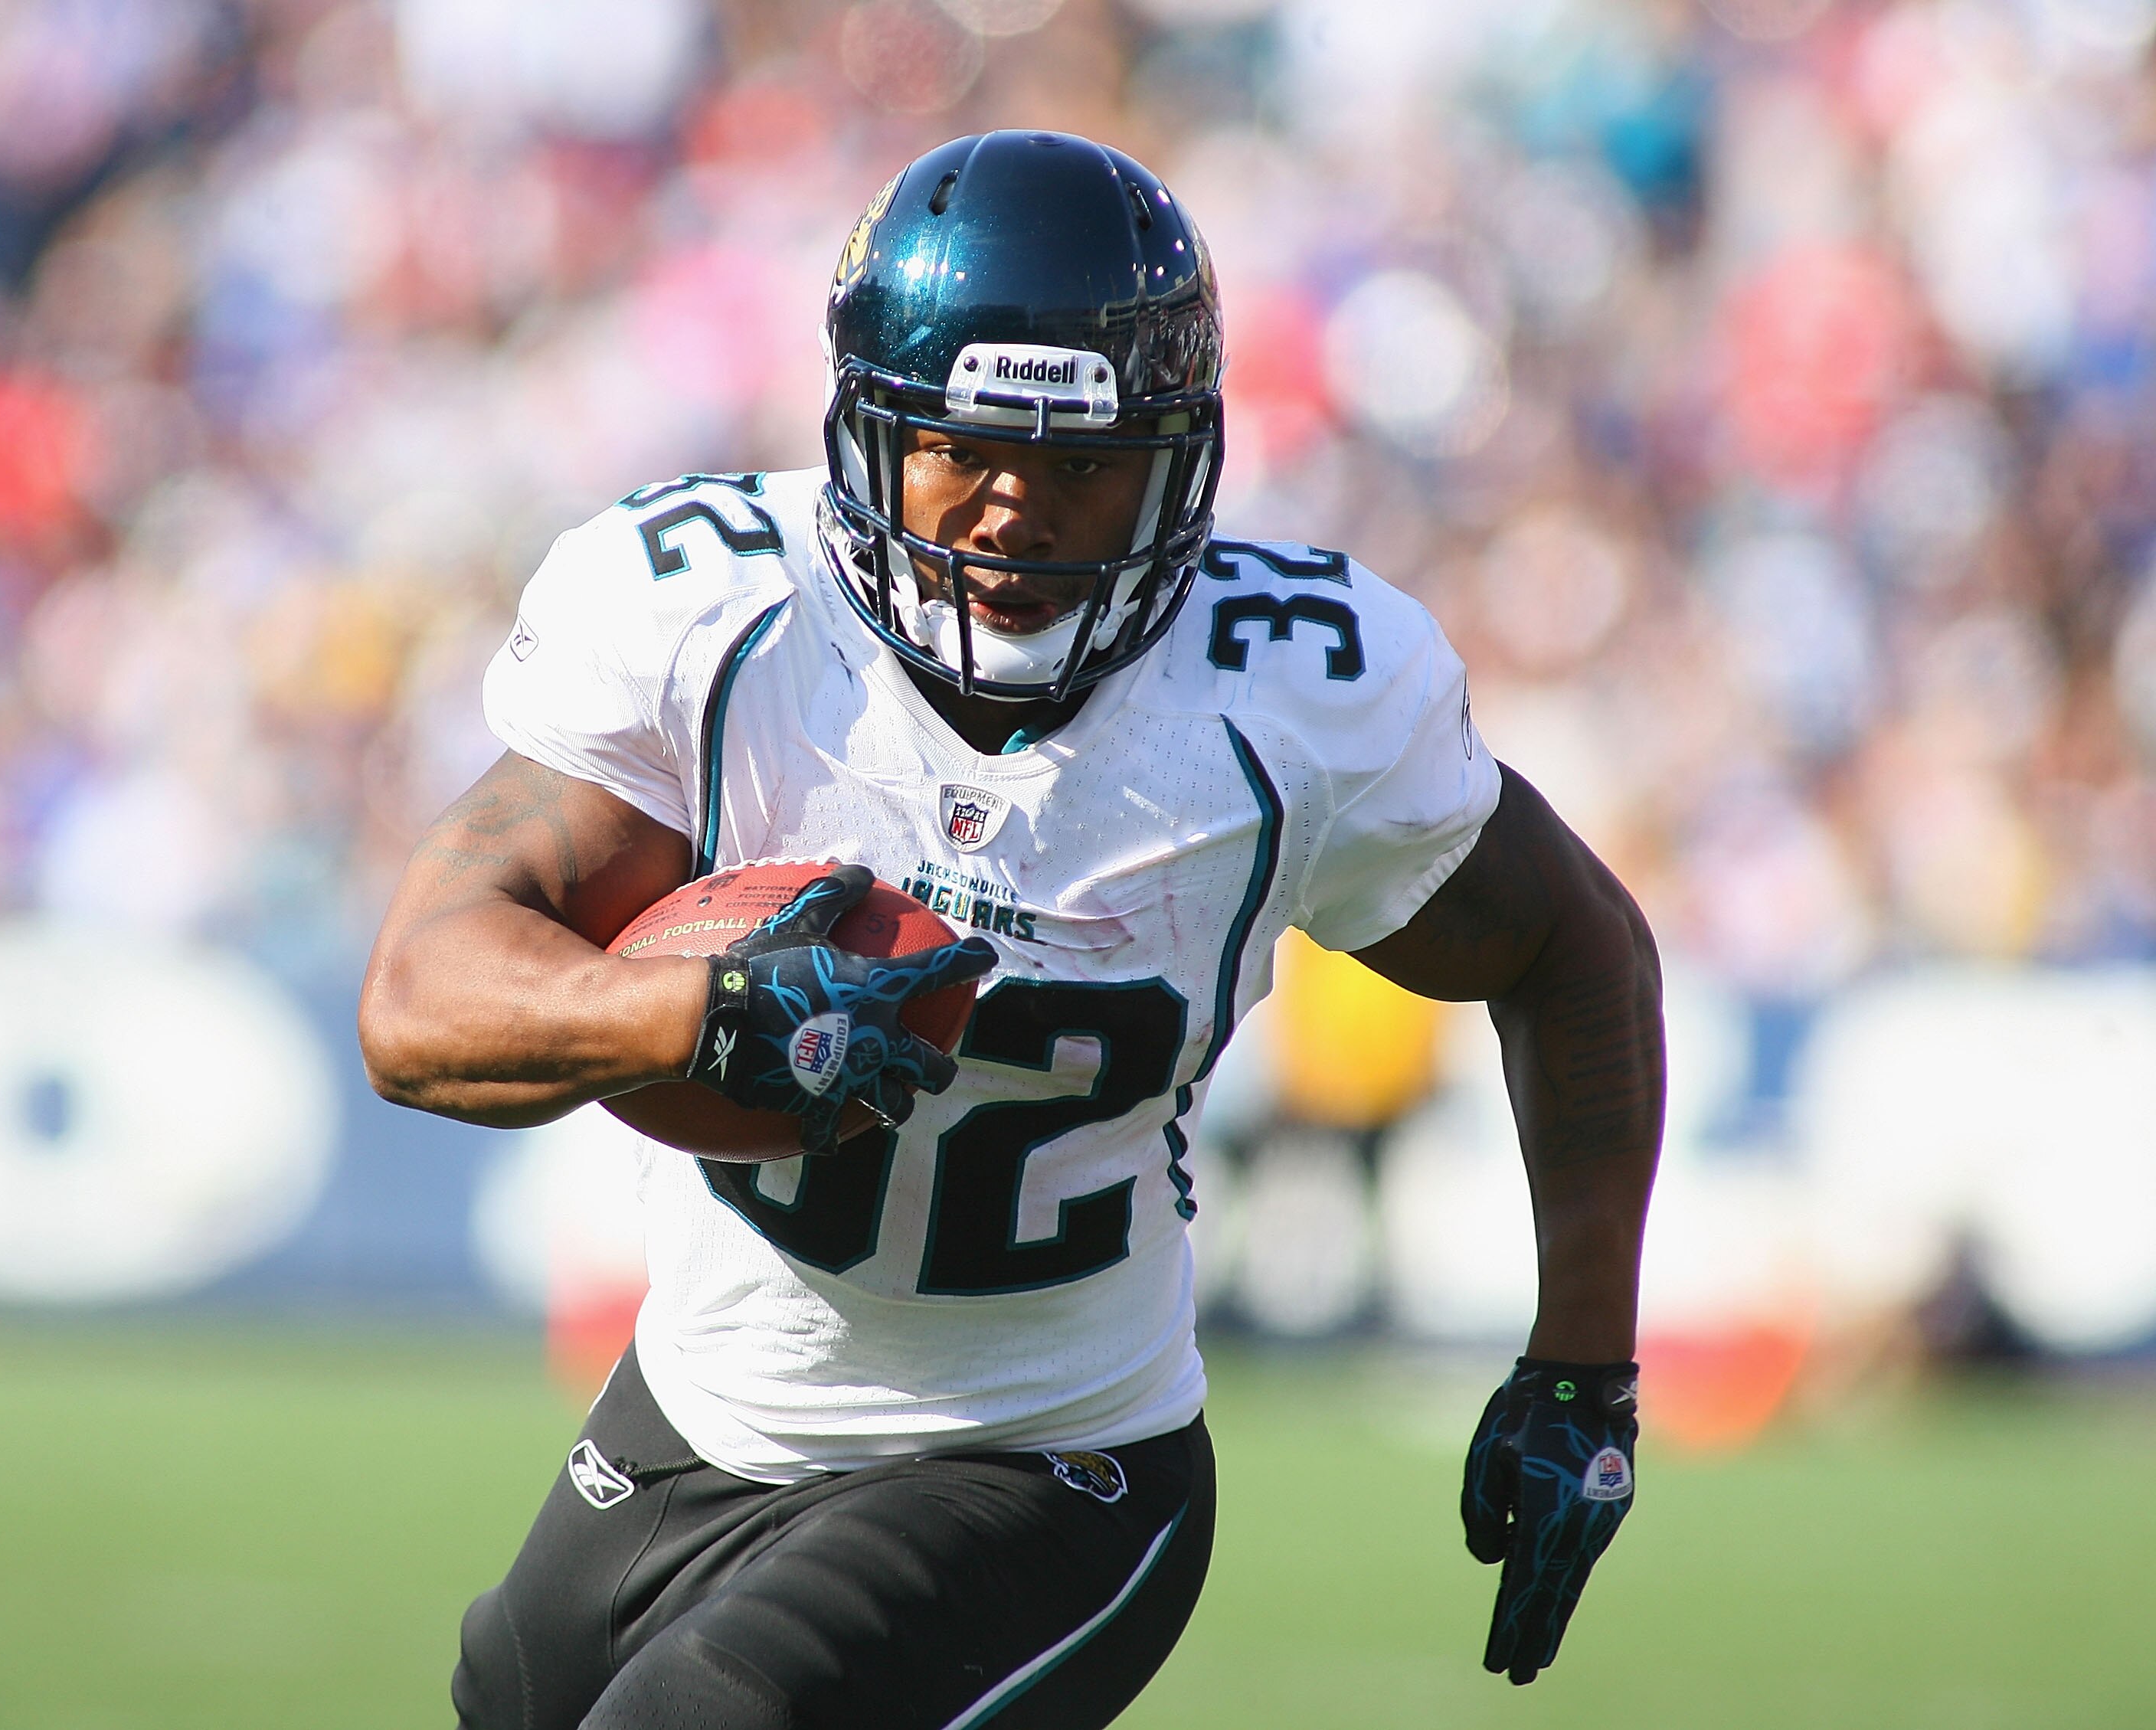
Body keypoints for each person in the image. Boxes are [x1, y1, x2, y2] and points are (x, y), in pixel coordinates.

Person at [360, 129, 1663, 1730]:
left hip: (1051, 1461)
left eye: (1084, 461)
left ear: (1181, 459)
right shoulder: (714, 626)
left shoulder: (1290, 698)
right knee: (510, 1698)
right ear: (862, 432)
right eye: (966, 445)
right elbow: (419, 999)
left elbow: (1575, 946)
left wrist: (1583, 1364)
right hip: (709, 1410)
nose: (1014, 508)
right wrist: (704, 1017)